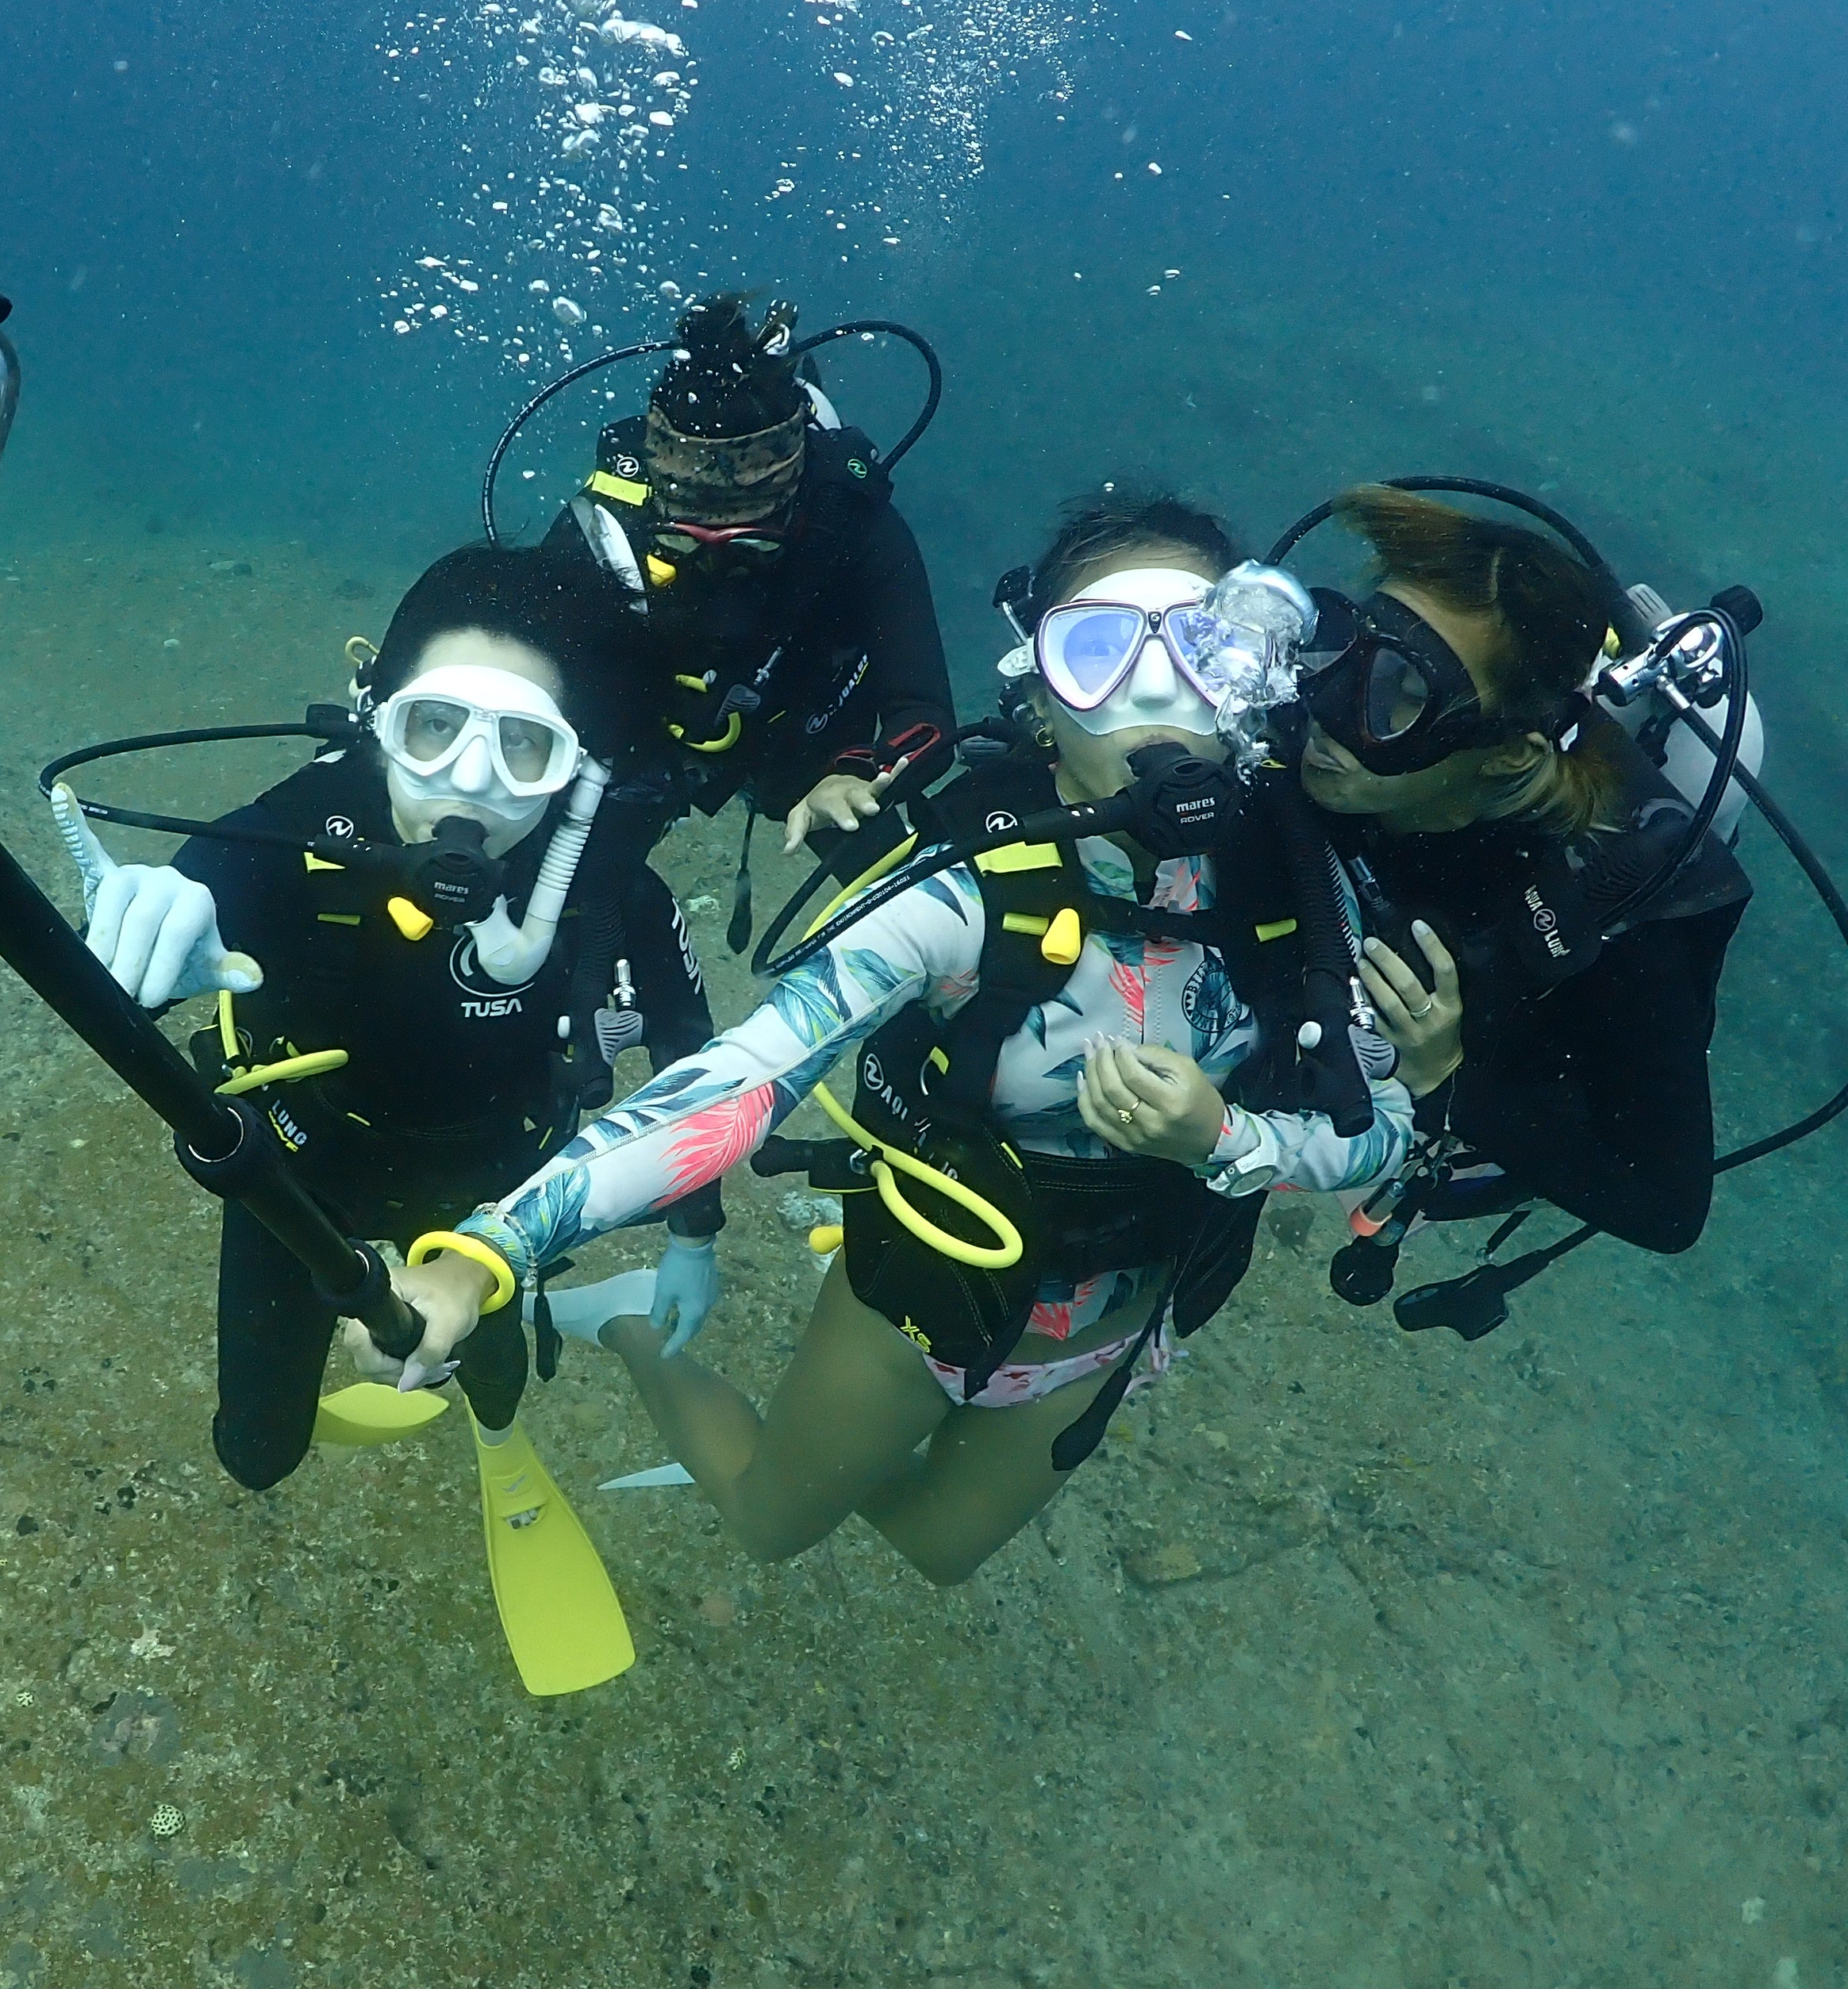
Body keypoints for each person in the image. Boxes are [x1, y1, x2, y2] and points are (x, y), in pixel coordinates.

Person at [374, 493, 1412, 1585]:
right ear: (1040, 692)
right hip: (919, 1302)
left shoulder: (1302, 890)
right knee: (771, 1524)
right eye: (1097, 648)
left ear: (1257, 672)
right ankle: (634, 1326)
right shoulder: (960, 900)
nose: (1153, 689)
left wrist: (1227, 1136)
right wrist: (487, 1250)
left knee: (936, 1548)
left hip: (1113, 1328)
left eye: (1204, 645)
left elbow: (1387, 1132)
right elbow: (744, 1080)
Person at [67, 543, 718, 1691]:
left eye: (525, 747)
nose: (469, 784)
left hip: (495, 1203)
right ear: (376, 718)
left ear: (576, 773)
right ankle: (476, 1349)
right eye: (435, 730)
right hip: (297, 1173)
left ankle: (504, 1431)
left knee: (495, 1372)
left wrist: (696, 1228)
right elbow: (220, 866)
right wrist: (170, 896)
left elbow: (691, 1060)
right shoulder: (310, 823)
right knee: (257, 1456)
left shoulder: (613, 892)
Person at [1291, 486, 1752, 1324]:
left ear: (1507, 759)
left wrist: (1445, 1081)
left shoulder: (1616, 923)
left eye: (1401, 689)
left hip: (1502, 1082)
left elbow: (1666, 1206)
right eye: (1347, 645)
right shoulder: (1331, 738)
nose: (1326, 702)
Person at [547, 292, 957, 911]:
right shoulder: (607, 520)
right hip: (644, 736)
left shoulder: (853, 524)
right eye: (684, 542)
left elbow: (923, 711)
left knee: (920, 906)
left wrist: (859, 776)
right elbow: (513, 648)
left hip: (812, 753)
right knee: (555, 884)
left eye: (752, 544)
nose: (721, 561)